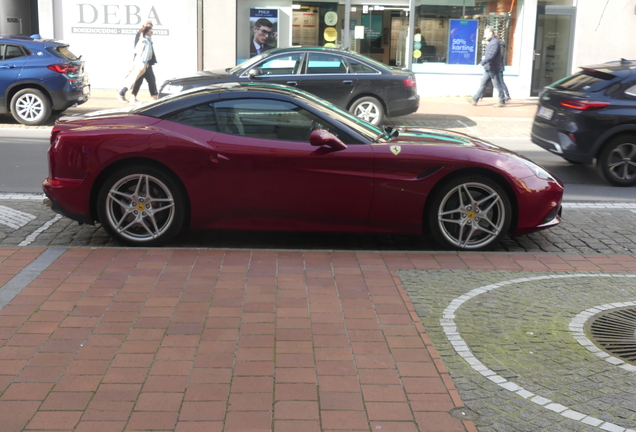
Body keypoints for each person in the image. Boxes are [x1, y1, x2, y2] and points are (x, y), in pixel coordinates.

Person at [116, 26, 154, 103]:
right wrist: (143, 62)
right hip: (141, 64)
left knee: (137, 80)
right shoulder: (145, 41)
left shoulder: (146, 40)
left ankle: (131, 97)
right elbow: (143, 53)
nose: (152, 33)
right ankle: (121, 93)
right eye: (151, 32)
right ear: (147, 32)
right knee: (133, 79)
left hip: (142, 64)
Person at [470, 27, 506, 107]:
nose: (484, 36)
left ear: (490, 33)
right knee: (483, 83)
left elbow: (491, 55)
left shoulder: (494, 43)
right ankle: (475, 99)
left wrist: (481, 63)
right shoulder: (492, 42)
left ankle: (502, 101)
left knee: (497, 85)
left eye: (485, 34)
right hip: (489, 67)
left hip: (493, 67)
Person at [129, 21, 158, 104]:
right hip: (144, 63)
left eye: (151, 24)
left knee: (139, 80)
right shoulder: (143, 37)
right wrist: (145, 62)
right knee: (151, 80)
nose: (150, 26)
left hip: (145, 63)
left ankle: (132, 97)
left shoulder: (147, 38)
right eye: (148, 24)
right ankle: (155, 97)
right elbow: (142, 52)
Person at [495, 34, 511, 102]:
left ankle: (507, 95)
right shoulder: (497, 44)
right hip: (496, 66)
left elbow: (500, 55)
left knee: (501, 81)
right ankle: (479, 95)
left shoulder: (500, 45)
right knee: (486, 81)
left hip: (499, 66)